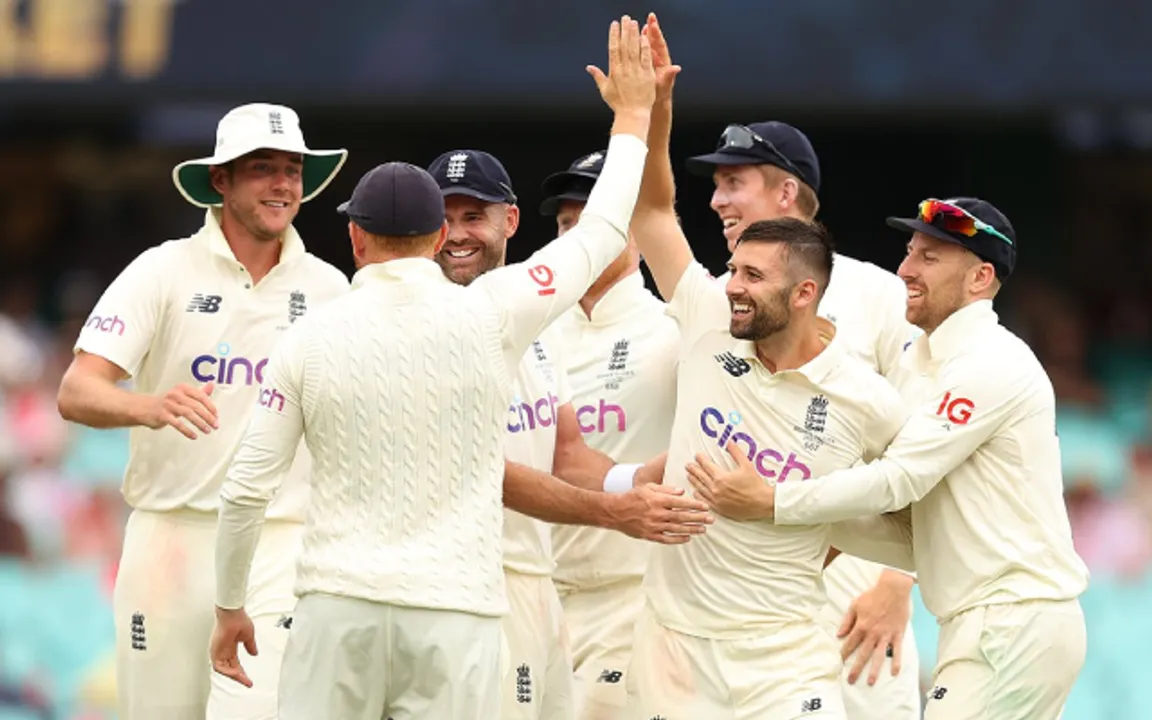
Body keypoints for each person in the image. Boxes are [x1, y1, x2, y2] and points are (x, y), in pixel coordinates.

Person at [208, 18, 707, 720]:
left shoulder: (308, 338)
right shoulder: (494, 315)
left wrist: (230, 604)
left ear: (353, 237)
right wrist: (633, 116)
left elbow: (243, 493)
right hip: (455, 611)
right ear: (437, 235)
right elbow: (598, 235)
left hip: (337, 604)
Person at [700, 197, 1090, 720]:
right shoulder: (923, 364)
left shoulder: (991, 362)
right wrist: (801, 532)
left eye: (929, 258)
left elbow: (899, 481)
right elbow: (911, 533)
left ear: (979, 279)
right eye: (910, 252)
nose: (905, 268)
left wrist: (773, 501)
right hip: (986, 623)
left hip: (1012, 621)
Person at [640, 13, 923, 714]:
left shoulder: (883, 298)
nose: (716, 199)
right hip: (700, 611)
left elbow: (922, 467)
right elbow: (652, 214)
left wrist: (893, 583)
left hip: (844, 600)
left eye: (733, 182)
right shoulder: (717, 305)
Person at [56, 102, 350, 720]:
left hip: (280, 540)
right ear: (221, 181)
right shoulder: (162, 271)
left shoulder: (329, 289)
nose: (283, 185)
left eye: (293, 170)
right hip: (170, 537)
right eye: (263, 169)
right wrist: (148, 405)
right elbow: (77, 391)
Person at [425, 146, 685, 720]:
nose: (458, 234)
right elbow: (483, 471)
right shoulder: (430, 324)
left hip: (572, 589)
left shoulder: (541, 327)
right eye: (567, 225)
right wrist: (618, 511)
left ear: (509, 222)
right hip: (470, 587)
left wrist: (637, 479)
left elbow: (565, 453)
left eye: (474, 217)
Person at [627, 194, 909, 720]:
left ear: (804, 293)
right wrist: (649, 110)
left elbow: (915, 506)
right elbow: (652, 214)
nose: (732, 286)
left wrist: (787, 508)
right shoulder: (707, 319)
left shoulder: (867, 401)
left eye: (752, 276)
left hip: (785, 657)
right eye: (734, 269)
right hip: (673, 649)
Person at [539, 150, 680, 720]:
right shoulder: (533, 329)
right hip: (534, 594)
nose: (578, 237)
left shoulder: (673, 328)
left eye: (595, 221)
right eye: (567, 225)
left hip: (632, 595)